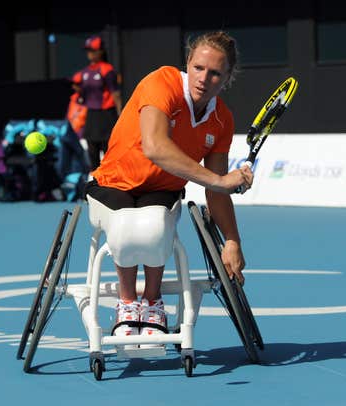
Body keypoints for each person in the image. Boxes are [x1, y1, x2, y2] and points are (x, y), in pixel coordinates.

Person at [84, 31, 253, 346]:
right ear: (188, 63)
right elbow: (155, 147)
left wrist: (232, 240)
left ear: (228, 77)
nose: (204, 78)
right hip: (114, 181)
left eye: (215, 72)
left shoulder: (222, 120)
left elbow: (216, 191)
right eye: (199, 68)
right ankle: (126, 304)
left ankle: (152, 303)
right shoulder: (161, 82)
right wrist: (219, 180)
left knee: (156, 224)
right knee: (126, 226)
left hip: (161, 190)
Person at [71, 34, 123, 170]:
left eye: (93, 50)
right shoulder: (84, 72)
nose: (90, 54)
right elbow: (80, 93)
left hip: (106, 115)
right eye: (88, 51)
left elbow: (116, 94)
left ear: (101, 51)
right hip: (92, 115)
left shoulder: (107, 70)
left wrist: (120, 116)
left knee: (109, 152)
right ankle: (94, 181)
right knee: (92, 150)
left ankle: (110, 181)